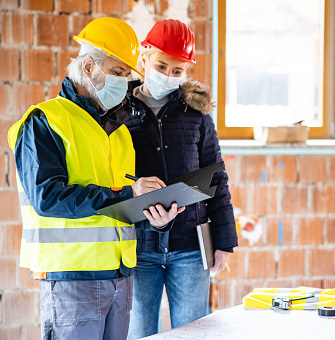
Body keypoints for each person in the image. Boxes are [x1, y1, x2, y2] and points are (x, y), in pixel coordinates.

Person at [7, 17, 183, 340]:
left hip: (121, 279)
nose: (124, 83)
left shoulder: (120, 135)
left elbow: (122, 209)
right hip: (73, 281)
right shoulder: (44, 121)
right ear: (88, 68)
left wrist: (157, 218)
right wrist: (128, 195)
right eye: (117, 73)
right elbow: (47, 197)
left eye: (127, 76)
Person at [125, 19, 238, 338]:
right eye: (162, 66)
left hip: (190, 245)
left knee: (192, 332)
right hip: (139, 245)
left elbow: (217, 178)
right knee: (139, 332)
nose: (168, 76)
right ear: (144, 57)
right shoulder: (120, 111)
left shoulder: (197, 114)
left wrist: (224, 240)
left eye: (177, 71)